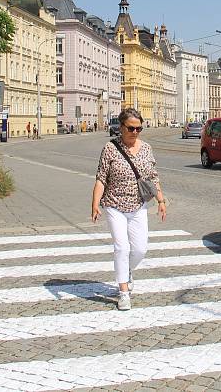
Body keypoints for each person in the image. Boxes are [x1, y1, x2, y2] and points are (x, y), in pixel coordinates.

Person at [92, 108, 167, 311]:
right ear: (121, 127)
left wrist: (161, 200)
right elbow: (101, 178)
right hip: (114, 204)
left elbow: (153, 177)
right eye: (131, 128)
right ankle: (123, 292)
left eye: (139, 128)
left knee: (140, 249)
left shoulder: (146, 148)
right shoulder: (110, 148)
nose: (135, 132)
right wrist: (95, 204)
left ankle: (127, 272)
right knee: (122, 248)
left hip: (138, 205)